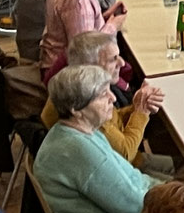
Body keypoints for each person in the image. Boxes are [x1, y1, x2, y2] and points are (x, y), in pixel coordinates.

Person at [36, 63, 159, 213]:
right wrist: (175, 192)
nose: (113, 98)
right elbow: (135, 205)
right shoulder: (78, 150)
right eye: (103, 95)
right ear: (76, 110)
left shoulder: (79, 131)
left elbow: (130, 176)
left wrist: (168, 186)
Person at [40, 30, 164, 172]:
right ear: (89, 67)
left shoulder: (72, 85)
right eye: (113, 59)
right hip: (124, 168)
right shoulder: (86, 104)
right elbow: (125, 153)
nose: (122, 63)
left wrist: (136, 107)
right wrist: (141, 111)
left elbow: (114, 120)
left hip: (129, 161)